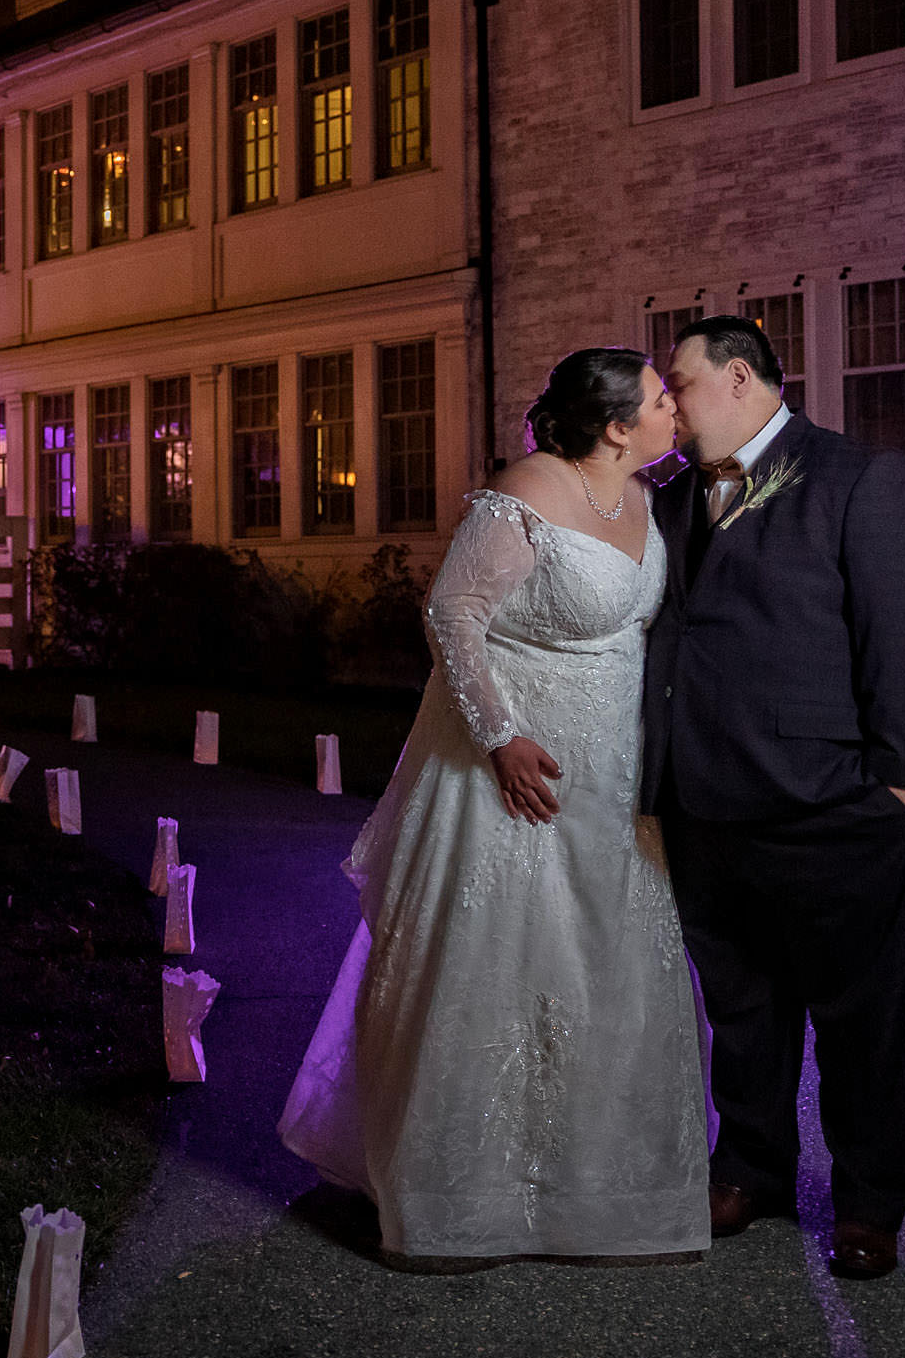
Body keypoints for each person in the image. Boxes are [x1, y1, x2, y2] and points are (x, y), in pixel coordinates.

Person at [279, 347, 709, 1268]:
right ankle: (462, 1200)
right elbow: (452, 610)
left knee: (610, 965)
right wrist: (500, 736)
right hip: (516, 773)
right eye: (661, 398)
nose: (676, 408)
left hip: (617, 779)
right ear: (615, 424)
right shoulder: (528, 491)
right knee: (504, 962)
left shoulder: (647, 498)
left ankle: (603, 1188)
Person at [645, 314, 905, 1282]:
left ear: (739, 379)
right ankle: (751, 1167)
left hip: (831, 809)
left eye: (680, 386)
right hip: (705, 807)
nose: (670, 409)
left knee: (858, 1022)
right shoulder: (670, 503)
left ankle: (866, 1202)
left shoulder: (859, 480)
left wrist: (893, 787)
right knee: (740, 1010)